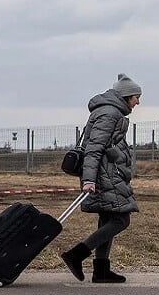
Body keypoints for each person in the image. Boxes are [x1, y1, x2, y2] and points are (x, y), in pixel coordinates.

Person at [60, 74, 142, 283]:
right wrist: (89, 180)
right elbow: (94, 149)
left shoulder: (110, 111)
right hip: (104, 176)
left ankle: (101, 270)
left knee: (108, 218)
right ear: (126, 96)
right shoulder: (109, 114)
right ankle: (76, 255)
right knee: (121, 219)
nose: (138, 102)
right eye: (136, 97)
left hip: (107, 174)